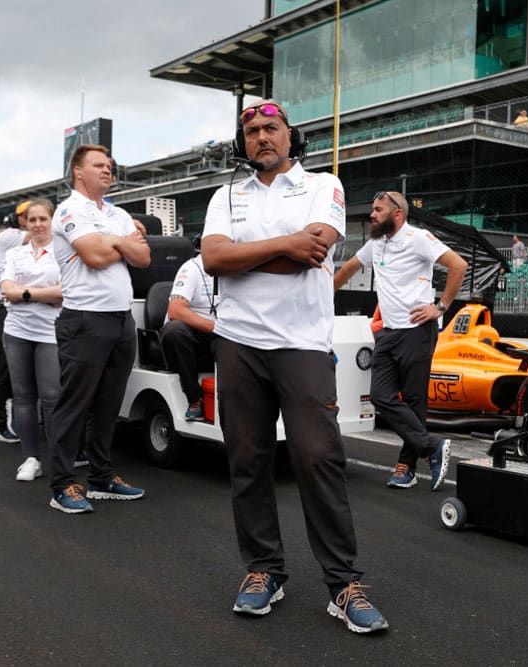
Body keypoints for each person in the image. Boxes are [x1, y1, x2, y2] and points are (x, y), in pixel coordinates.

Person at [202, 100, 387, 633]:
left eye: (271, 129)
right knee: (248, 461)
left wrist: (249, 255)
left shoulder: (323, 186)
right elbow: (213, 260)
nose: (261, 137)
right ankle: (264, 571)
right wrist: (283, 245)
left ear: (290, 137)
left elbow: (311, 254)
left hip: (302, 344)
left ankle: (343, 583)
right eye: (252, 130)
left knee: (318, 458)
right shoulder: (225, 195)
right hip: (237, 341)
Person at [334, 191, 465, 491]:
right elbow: (348, 269)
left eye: (377, 209)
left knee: (415, 401)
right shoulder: (375, 244)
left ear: (397, 214)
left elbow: (458, 265)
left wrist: (441, 306)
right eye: (372, 208)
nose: (372, 214)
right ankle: (432, 445)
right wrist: (323, 292)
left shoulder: (418, 238)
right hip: (388, 333)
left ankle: (405, 467)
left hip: (417, 330)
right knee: (380, 396)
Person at [47, 143, 150, 513]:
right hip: (85, 319)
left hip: (122, 320)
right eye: (98, 165)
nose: (108, 170)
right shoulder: (69, 210)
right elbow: (91, 256)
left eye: (109, 165)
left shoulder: (119, 214)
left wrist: (115, 241)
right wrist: (122, 242)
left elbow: (144, 258)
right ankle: (61, 484)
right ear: (78, 172)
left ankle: (101, 476)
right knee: (74, 404)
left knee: (109, 405)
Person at [0, 200, 62, 481]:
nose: (37, 224)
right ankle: (31, 458)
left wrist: (23, 293)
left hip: (51, 331)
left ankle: (59, 460)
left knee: (51, 397)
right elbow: (5, 289)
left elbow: (64, 293)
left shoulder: (63, 252)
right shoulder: (15, 254)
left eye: (43, 219)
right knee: (23, 398)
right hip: (16, 331)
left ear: (53, 220)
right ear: (25, 223)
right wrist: (41, 293)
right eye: (32, 219)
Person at [0, 201, 32, 443]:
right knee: (5, 365)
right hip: (3, 307)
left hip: (28, 305)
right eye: (29, 216)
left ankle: (24, 419)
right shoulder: (10, 236)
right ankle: (2, 424)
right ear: (19, 219)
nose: (35, 220)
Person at [161, 250, 217, 421]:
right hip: (194, 335)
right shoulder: (191, 269)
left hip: (220, 335)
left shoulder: (236, 270)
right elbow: (175, 310)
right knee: (175, 331)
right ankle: (195, 399)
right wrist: (217, 328)